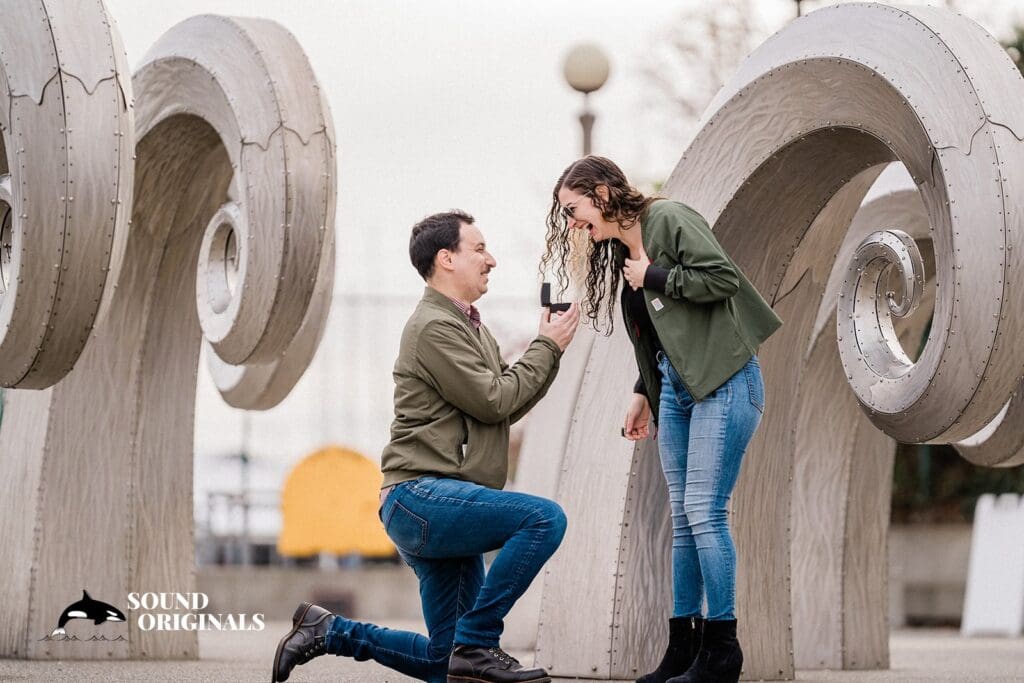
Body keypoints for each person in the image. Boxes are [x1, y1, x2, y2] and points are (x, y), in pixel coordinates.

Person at [272, 209, 581, 683]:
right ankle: (478, 641)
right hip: (422, 497)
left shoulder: (468, 327)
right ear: (446, 259)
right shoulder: (434, 328)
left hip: (438, 499)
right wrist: (547, 347)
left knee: (445, 663)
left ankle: (328, 630)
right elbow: (496, 399)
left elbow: (501, 405)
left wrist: (547, 348)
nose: (491, 260)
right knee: (544, 519)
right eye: (479, 249)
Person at [540, 157, 781, 683]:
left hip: (726, 379)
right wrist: (642, 392)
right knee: (684, 521)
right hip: (674, 388)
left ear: (602, 192)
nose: (573, 223)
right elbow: (661, 336)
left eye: (575, 209)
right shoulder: (623, 252)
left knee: (704, 510)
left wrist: (653, 274)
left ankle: (722, 649)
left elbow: (721, 278)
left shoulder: (668, 218)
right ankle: (683, 647)